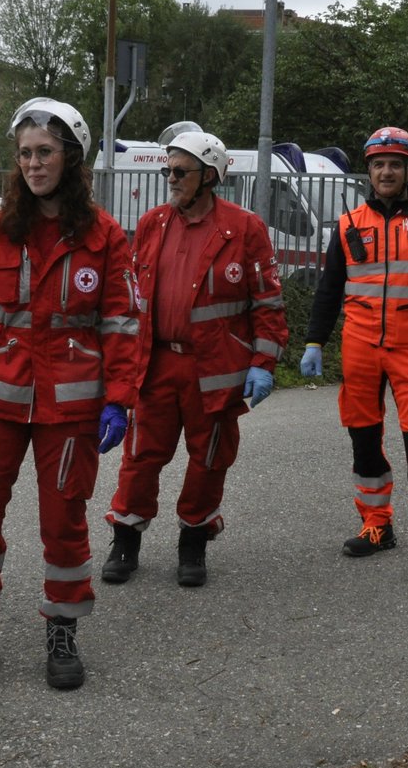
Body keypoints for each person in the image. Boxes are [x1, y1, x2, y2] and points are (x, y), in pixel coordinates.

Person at [0, 98, 140, 691]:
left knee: (64, 524)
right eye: (24, 153)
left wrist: (118, 399)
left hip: (71, 408)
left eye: (44, 152)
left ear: (71, 158)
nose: (32, 163)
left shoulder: (105, 238)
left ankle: (63, 630)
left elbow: (123, 324)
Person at [101, 128, 287, 588]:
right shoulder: (151, 224)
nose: (170, 177)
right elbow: (128, 302)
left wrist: (263, 364)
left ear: (209, 175)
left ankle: (193, 542)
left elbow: (268, 304)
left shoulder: (245, 229)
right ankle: (126, 538)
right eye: (168, 169)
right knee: (141, 457)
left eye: (179, 171)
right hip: (157, 363)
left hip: (216, 367)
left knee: (209, 459)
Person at [299, 126, 408, 586]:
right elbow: (329, 289)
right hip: (359, 350)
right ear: (368, 171)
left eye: (395, 164)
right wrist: (315, 341)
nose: (386, 171)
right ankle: (377, 526)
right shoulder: (349, 225)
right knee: (364, 444)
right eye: (378, 164)